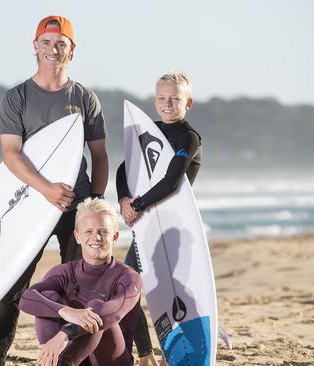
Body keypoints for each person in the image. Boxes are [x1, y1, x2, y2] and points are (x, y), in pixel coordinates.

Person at [0, 15, 109, 366]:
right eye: (47, 42)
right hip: (29, 206)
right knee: (12, 286)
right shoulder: (17, 97)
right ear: (35, 46)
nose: (54, 49)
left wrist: (93, 203)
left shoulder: (84, 98)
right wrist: (46, 189)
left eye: (61, 43)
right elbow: (11, 154)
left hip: (76, 207)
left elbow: (98, 155)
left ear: (72, 50)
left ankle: (77, 357)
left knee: (82, 288)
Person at [116, 71, 201, 366]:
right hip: (148, 227)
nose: (168, 104)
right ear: (155, 101)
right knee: (127, 287)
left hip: (175, 228)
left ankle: (181, 350)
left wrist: (137, 204)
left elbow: (171, 181)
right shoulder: (148, 131)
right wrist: (124, 200)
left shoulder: (188, 137)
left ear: (187, 102)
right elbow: (122, 170)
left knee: (173, 294)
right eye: (163, 98)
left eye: (175, 99)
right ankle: (146, 355)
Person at [19, 197, 142, 366]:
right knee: (47, 297)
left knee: (95, 308)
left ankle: (62, 363)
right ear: (77, 236)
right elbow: (27, 298)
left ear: (115, 236)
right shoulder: (64, 272)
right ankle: (53, 361)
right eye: (88, 231)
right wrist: (65, 311)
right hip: (76, 355)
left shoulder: (128, 277)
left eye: (103, 232)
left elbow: (109, 314)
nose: (96, 237)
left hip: (111, 361)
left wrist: (65, 333)